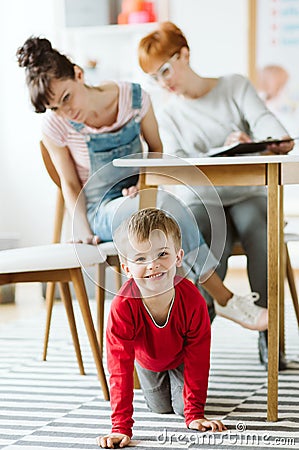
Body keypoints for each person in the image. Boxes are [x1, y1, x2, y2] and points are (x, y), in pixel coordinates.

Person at [16, 36, 267, 332]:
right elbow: (69, 184)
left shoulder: (134, 98)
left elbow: (156, 152)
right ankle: (224, 298)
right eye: (55, 108)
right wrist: (81, 227)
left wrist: (144, 187)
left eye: (67, 98)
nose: (66, 112)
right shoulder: (55, 126)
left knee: (168, 214)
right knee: (165, 210)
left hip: (142, 196)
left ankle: (180, 326)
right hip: (101, 211)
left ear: (78, 74)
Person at [138, 21, 295, 370]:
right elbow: (178, 165)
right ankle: (196, 334)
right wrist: (222, 149)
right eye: (155, 77)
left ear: (185, 55)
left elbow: (268, 124)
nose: (165, 82)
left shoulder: (233, 86)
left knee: (261, 228)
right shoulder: (169, 114)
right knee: (202, 238)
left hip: (248, 195)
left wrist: (264, 139)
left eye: (165, 70)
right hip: (202, 199)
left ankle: (270, 332)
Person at [97, 208, 227, 448]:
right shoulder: (122, 307)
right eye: (140, 259)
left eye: (162, 254)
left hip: (181, 357)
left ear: (178, 257)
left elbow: (199, 357)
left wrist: (195, 413)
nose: (153, 265)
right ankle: (162, 386)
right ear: (126, 268)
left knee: (180, 409)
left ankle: (182, 392)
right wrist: (120, 427)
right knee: (160, 407)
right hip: (147, 361)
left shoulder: (192, 300)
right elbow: (119, 368)